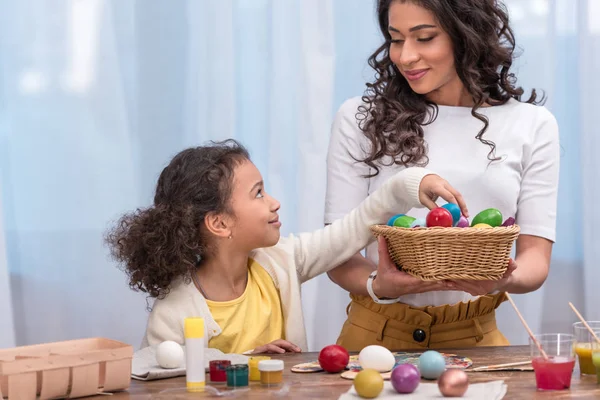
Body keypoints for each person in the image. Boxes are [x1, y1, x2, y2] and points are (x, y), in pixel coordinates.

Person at [325, 0, 560, 351]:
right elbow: (336, 253)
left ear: (466, 36)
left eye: (424, 38)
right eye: (396, 38)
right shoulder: (359, 119)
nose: (405, 57)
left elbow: (535, 261)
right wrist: (379, 284)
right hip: (374, 340)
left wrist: (499, 280)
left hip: (475, 338)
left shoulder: (533, 125)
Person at [106, 139, 464, 354]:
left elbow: (353, 229)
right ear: (219, 222)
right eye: (258, 193)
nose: (274, 202)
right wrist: (242, 364)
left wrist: (409, 185)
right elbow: (159, 379)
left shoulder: (280, 261)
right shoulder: (174, 311)